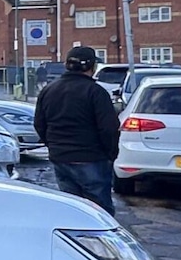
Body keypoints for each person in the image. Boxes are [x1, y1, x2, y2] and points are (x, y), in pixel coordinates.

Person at [33, 44, 120, 215]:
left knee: (72, 209)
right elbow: (109, 128)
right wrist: (111, 154)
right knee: (99, 211)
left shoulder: (49, 90)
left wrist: (53, 145)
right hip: (91, 158)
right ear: (92, 67)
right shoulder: (96, 92)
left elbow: (39, 123)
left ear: (66, 65)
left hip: (60, 157)